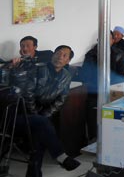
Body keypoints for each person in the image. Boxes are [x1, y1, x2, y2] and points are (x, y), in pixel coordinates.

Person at [5, 45, 81, 176]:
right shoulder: (37, 69)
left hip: (37, 117)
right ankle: (60, 156)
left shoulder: (66, 76)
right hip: (17, 113)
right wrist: (38, 116)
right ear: (53, 55)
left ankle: (34, 173)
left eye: (64, 55)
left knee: (40, 129)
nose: (59, 57)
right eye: (58, 53)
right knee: (41, 124)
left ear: (68, 61)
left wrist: (42, 116)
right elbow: (27, 95)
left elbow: (60, 101)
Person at [80, 30, 124, 141]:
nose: (105, 42)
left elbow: (122, 73)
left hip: (114, 91)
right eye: (102, 39)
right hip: (96, 92)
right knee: (93, 115)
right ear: (98, 41)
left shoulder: (118, 53)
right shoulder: (91, 54)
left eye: (108, 39)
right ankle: (94, 139)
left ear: (113, 41)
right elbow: (86, 75)